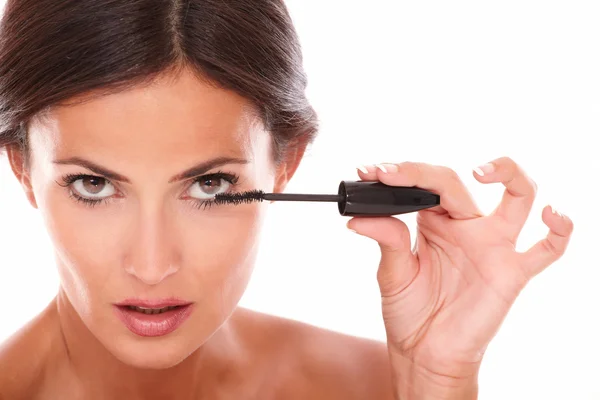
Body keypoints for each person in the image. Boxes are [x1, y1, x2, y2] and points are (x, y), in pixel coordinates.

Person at [0, 0, 574, 399]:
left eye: (210, 185)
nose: (152, 266)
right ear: (23, 167)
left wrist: (439, 383)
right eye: (94, 185)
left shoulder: (380, 388)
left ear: (286, 162)